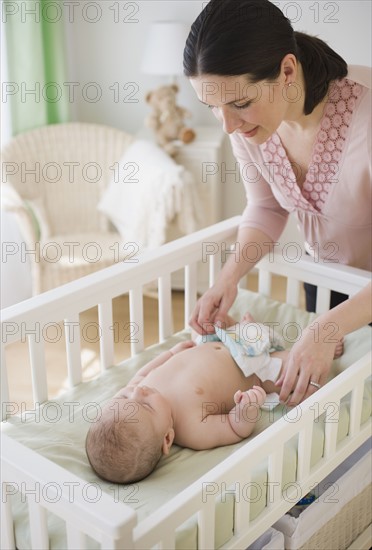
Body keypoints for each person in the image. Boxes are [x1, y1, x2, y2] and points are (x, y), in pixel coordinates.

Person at [183, 0, 372, 406]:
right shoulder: (245, 125)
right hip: (326, 284)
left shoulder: (366, 118)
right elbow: (267, 208)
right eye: (212, 107)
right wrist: (228, 278)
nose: (228, 125)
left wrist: (325, 331)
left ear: (287, 70)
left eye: (238, 104)